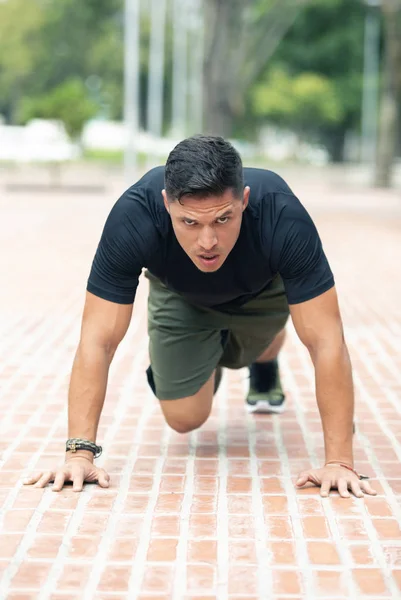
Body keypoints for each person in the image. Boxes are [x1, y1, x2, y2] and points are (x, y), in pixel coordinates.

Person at [24, 135, 376, 499]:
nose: (208, 241)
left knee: (303, 326)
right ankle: (207, 351)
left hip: (262, 297)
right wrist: (78, 453)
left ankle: (266, 358)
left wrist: (340, 463)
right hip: (182, 298)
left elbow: (326, 340)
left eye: (223, 219)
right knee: (184, 418)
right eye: (190, 222)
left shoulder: (281, 213)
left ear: (245, 200)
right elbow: (99, 338)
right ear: (166, 204)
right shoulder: (134, 216)